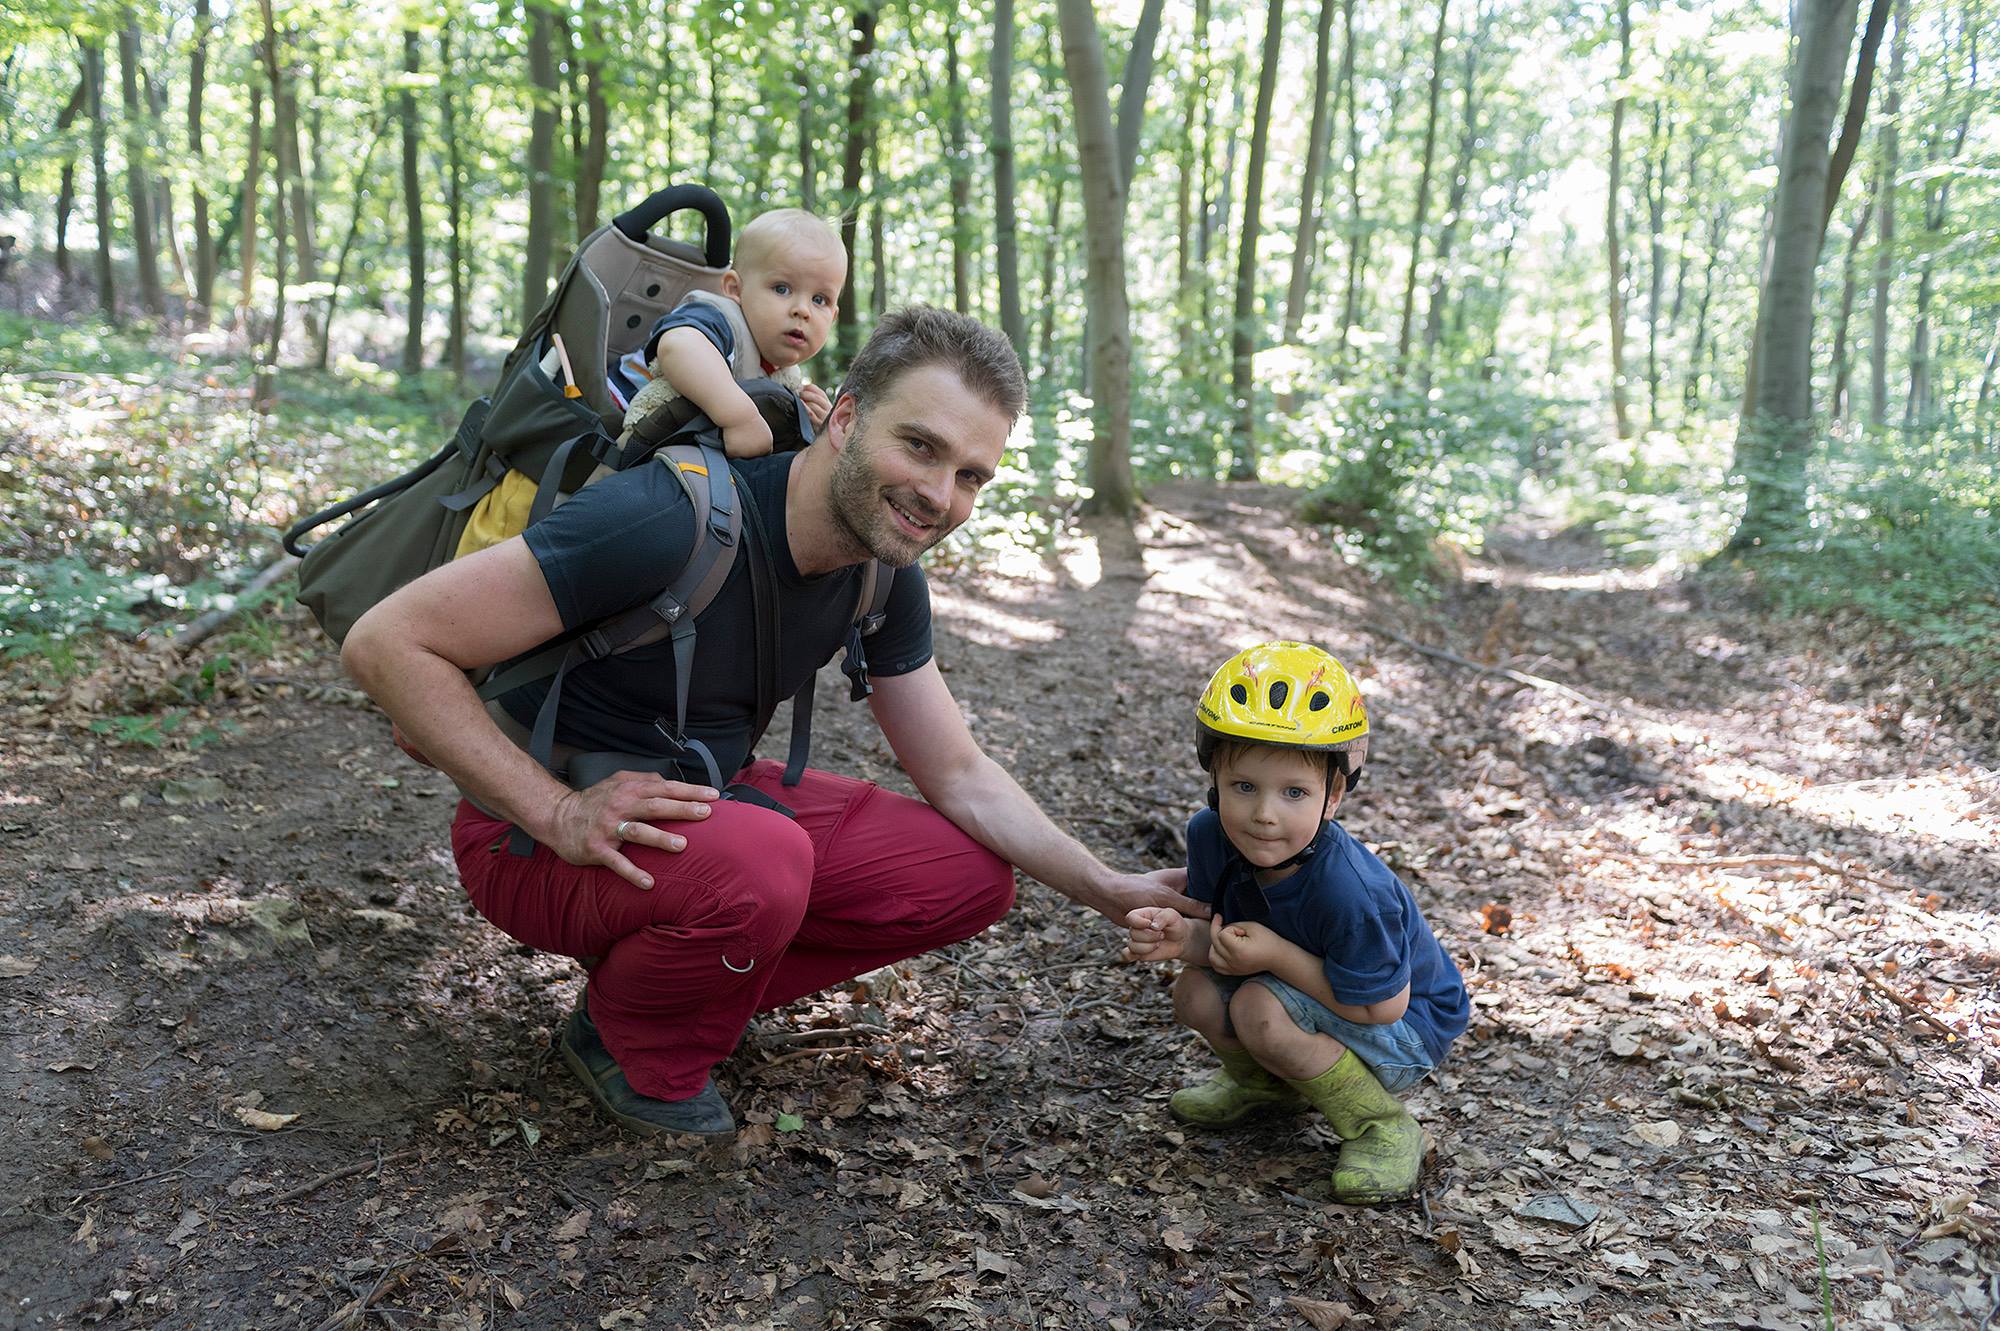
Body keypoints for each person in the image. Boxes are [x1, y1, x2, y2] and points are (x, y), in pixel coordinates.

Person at [343, 304, 1197, 1138]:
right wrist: (558, 811)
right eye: (921, 446)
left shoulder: (881, 568)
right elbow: (387, 643)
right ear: (847, 418)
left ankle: (675, 983)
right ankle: (630, 1044)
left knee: (969, 874)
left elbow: (962, 775)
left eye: (972, 475)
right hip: (526, 832)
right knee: (767, 861)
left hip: (691, 802)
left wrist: (1108, 888)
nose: (940, 494)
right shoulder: (667, 519)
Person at [1123, 642, 1468, 1204]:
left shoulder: (1351, 891)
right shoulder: (1212, 834)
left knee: (1257, 1004)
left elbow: (1383, 1008)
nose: (1264, 814)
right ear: (1214, 776)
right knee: (1195, 994)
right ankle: (1267, 1087)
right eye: (1244, 787)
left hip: (1408, 1029)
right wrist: (1178, 936)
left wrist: (1276, 958)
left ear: (1333, 795)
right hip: (1309, 991)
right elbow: (1225, 939)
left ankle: (1381, 1125)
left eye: (1294, 792)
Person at [608, 208, 845, 454]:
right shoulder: (720, 320)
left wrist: (818, 429)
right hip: (613, 416)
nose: (802, 310)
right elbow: (677, 345)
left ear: (833, 316)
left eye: (819, 299)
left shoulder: (783, 375)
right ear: (735, 289)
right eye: (782, 289)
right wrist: (739, 418)